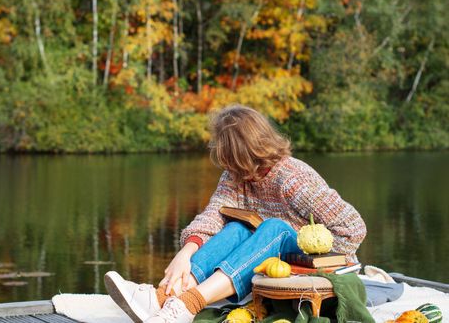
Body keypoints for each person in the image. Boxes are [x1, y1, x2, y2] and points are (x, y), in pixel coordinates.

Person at [104, 104, 367, 323]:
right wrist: (185, 253)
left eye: (226, 153)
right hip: (260, 260)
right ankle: (163, 298)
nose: (222, 160)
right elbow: (212, 217)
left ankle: (188, 304)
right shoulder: (235, 175)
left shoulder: (292, 179)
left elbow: (353, 228)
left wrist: (309, 257)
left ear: (244, 151)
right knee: (236, 228)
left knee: (274, 228)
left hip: (311, 266)